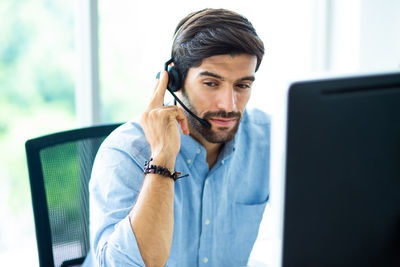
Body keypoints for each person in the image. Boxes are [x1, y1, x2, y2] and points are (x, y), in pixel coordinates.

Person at [87, 8, 270, 267]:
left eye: (242, 86)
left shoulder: (267, 139)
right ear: (174, 80)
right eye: (211, 83)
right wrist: (162, 157)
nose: (229, 105)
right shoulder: (125, 152)